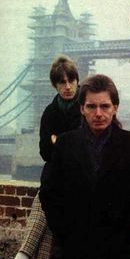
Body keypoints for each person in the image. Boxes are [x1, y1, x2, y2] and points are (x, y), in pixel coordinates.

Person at [39, 74, 130, 259]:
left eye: (105, 106)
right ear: (82, 109)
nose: (98, 113)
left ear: (115, 108)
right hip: (71, 248)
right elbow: (49, 192)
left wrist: (127, 235)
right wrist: (64, 232)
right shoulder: (65, 144)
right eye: (91, 106)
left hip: (117, 249)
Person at [15, 55, 82, 259]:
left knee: (46, 197)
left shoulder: (86, 107)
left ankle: (23, 254)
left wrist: (58, 140)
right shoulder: (49, 112)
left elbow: (80, 148)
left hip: (78, 175)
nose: (68, 86)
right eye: (62, 82)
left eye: (71, 81)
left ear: (77, 81)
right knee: (48, 195)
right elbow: (45, 151)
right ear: (55, 85)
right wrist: (64, 143)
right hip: (56, 174)